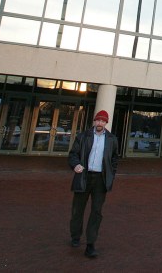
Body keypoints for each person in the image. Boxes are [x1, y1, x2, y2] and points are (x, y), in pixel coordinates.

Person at [68, 109, 119, 258]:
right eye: (98, 120)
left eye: (103, 121)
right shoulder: (83, 136)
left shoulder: (111, 139)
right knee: (78, 209)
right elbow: (73, 154)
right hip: (84, 176)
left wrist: (111, 175)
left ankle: (91, 243)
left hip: (100, 180)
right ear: (94, 121)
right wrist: (76, 164)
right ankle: (75, 236)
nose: (100, 123)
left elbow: (115, 159)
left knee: (96, 212)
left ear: (106, 123)